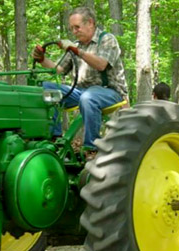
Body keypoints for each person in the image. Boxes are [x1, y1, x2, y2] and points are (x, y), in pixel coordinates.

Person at [32, 7, 128, 154]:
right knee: (45, 88)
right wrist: (42, 59)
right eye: (72, 28)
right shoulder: (76, 46)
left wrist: (78, 51)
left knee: (88, 97)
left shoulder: (107, 39)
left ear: (90, 23)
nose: (74, 31)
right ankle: (54, 140)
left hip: (109, 91)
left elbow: (101, 64)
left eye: (77, 27)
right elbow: (59, 70)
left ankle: (92, 148)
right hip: (80, 92)